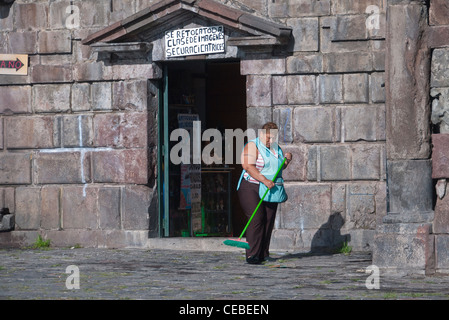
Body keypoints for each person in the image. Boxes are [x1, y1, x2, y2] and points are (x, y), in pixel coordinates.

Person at [237, 122, 292, 264]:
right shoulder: (252, 146)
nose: (271, 141)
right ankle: (252, 255)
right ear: (261, 134)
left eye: (273, 138)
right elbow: (247, 166)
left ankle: (263, 254)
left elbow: (279, 167)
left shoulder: (276, 148)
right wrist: (264, 180)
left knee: (268, 219)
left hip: (271, 187)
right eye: (268, 138)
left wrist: (286, 161)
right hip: (251, 186)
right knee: (257, 217)